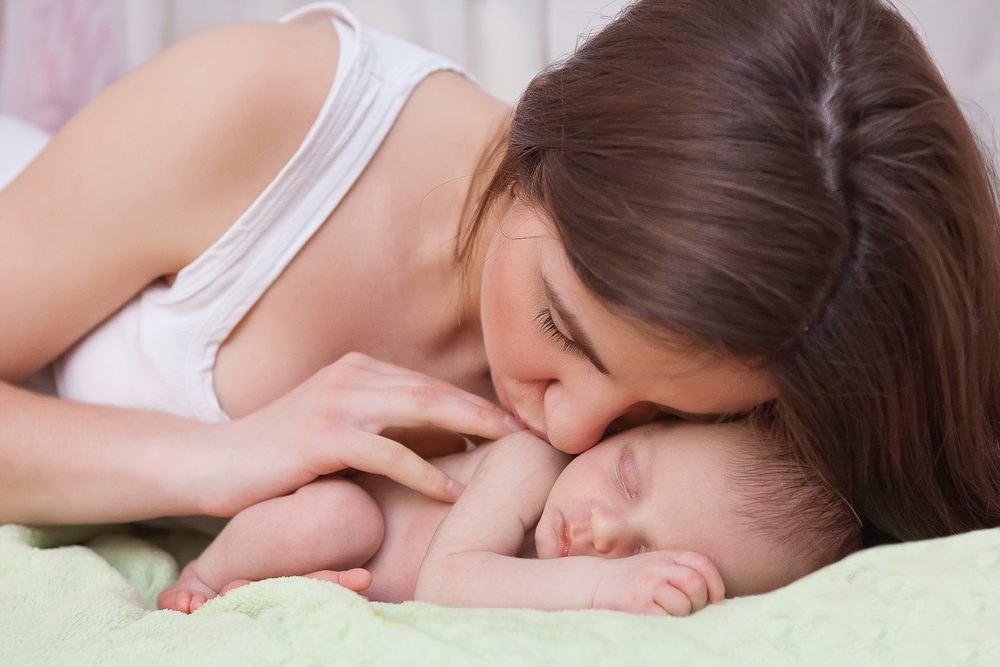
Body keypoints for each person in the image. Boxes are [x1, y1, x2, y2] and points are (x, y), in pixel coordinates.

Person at [0, 0, 997, 570]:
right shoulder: (261, 117)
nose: (573, 435)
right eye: (563, 326)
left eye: (656, 411)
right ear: (541, 137)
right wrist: (215, 460)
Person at [156, 421, 861, 616]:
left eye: (643, 550)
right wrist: (609, 585)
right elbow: (448, 580)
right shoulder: (533, 460)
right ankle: (206, 574)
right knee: (339, 517)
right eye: (626, 476)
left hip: (350, 582)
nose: (606, 531)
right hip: (342, 520)